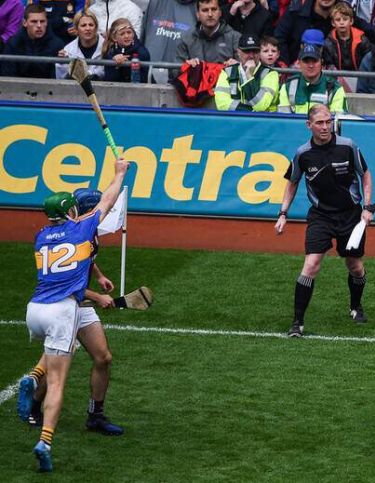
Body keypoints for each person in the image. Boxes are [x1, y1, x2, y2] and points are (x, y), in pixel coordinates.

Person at [21, 156, 128, 472]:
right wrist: (119, 173)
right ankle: (43, 429)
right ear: (73, 212)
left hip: (39, 308)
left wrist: (98, 277)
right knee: (58, 377)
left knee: (102, 356)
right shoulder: (83, 227)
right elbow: (107, 200)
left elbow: (74, 264)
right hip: (65, 307)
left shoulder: (42, 237)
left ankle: (94, 414)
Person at [274, 105, 375, 338]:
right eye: (319, 123)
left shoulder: (348, 146)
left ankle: (355, 306)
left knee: (355, 267)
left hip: (350, 215)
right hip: (320, 215)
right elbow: (292, 182)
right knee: (311, 265)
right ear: (308, 125)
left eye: (328, 122)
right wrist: (283, 213)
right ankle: (297, 323)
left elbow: (366, 174)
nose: (325, 127)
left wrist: (367, 207)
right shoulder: (303, 154)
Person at [215, 34, 279, 111]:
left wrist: (249, 76)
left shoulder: (271, 74)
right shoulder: (227, 72)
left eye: (255, 51)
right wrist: (249, 111)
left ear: (259, 52)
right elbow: (222, 105)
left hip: (263, 122)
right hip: (235, 121)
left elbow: (260, 106)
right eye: (247, 51)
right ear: (238, 52)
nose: (251, 56)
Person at [1, 4, 65, 79]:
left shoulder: (57, 45)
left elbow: (58, 78)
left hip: (48, 89)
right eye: (34, 21)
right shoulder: (13, 44)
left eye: (42, 21)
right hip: (18, 88)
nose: (39, 25)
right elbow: (8, 76)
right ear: (24, 23)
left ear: (47, 22)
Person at [280, 43, 347, 113]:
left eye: (314, 61)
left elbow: (337, 120)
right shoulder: (287, 87)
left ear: (322, 62)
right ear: (299, 63)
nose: (311, 65)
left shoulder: (335, 88)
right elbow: (283, 120)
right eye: (306, 61)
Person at [140, 0, 197, 83]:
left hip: (183, 79)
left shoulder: (204, 7)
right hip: (150, 74)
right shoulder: (155, 3)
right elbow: (143, 34)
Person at [176, 0, 241, 68]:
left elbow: (247, 73)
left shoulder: (235, 38)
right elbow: (174, 72)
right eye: (205, 10)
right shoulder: (187, 40)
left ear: (220, 13)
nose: (210, 14)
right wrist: (187, 67)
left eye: (214, 9)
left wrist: (237, 66)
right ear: (198, 15)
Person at [322, 1, 373, 71]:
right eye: (338, 20)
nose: (341, 22)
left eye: (345, 19)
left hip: (360, 76)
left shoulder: (362, 40)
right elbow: (329, 64)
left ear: (351, 21)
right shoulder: (328, 43)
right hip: (336, 78)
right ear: (333, 23)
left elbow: (369, 63)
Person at [55, 11, 104, 80]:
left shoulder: (107, 46)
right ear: (76, 29)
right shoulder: (68, 50)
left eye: (91, 25)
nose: (88, 29)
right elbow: (61, 79)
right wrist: (61, 64)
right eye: (83, 25)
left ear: (96, 28)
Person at [103, 17, 151, 82]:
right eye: (122, 34)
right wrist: (116, 65)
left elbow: (143, 79)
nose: (126, 36)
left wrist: (128, 63)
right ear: (114, 37)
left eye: (129, 32)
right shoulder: (110, 52)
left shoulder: (142, 52)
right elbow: (109, 80)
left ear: (133, 34)